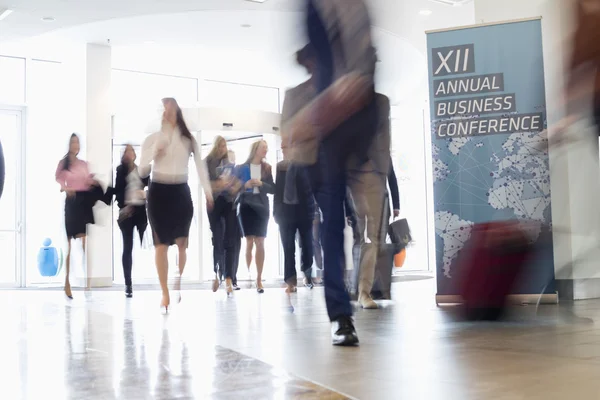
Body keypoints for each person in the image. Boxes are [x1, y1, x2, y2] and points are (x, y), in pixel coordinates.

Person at [283, 0, 377, 346]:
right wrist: (322, 111)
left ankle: (360, 294)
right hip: (321, 161)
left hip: (356, 131)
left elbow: (364, 71)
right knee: (333, 226)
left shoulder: (354, 26)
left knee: (360, 226)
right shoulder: (300, 92)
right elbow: (290, 135)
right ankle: (341, 315)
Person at [139, 98, 213, 312]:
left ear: (177, 111)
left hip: (181, 191)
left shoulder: (187, 139)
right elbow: (142, 170)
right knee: (161, 245)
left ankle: (178, 278)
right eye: (163, 108)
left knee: (182, 243)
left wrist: (208, 192)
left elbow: (200, 167)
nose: (166, 111)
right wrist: (155, 153)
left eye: (170, 107)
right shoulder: (152, 138)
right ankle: (164, 292)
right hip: (158, 192)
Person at [347, 94, 392, 309]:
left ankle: (364, 291)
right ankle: (352, 286)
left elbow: (385, 141)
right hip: (352, 177)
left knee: (372, 238)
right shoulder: (344, 101)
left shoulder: (381, 102)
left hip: (375, 176)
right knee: (360, 237)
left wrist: (380, 172)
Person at [55, 133, 107, 298]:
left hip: (84, 204)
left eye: (77, 142)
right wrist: (65, 187)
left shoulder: (84, 164)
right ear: (69, 144)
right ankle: (67, 283)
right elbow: (58, 180)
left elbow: (87, 181)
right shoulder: (63, 164)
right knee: (69, 244)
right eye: (73, 142)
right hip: (72, 203)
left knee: (85, 244)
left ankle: (88, 283)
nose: (76, 145)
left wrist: (92, 181)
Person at [274, 142, 315, 293]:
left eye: (285, 148)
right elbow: (278, 190)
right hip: (285, 212)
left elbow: (310, 187)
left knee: (307, 245)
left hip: (304, 211)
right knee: (288, 247)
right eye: (282, 148)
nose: (283, 151)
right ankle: (290, 282)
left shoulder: (305, 164)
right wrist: (276, 212)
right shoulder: (280, 167)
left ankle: (307, 273)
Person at [236, 140, 275, 294]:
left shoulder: (267, 168)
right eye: (263, 147)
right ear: (256, 149)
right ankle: (249, 273)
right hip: (246, 206)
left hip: (262, 207)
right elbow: (235, 188)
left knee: (260, 242)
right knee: (249, 241)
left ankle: (259, 278)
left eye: (267, 147)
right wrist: (245, 186)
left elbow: (273, 188)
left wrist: (261, 184)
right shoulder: (241, 168)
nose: (266, 149)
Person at [204, 136, 241, 296]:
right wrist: (218, 185)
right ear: (215, 147)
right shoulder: (208, 162)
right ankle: (217, 273)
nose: (222, 149)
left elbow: (237, 182)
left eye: (224, 146)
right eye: (220, 146)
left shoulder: (229, 162)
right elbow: (205, 184)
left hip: (229, 203)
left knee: (230, 241)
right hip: (214, 203)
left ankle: (228, 278)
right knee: (217, 240)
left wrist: (234, 186)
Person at [112, 144, 149, 298]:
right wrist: (126, 202)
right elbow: (118, 190)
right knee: (127, 248)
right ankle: (128, 284)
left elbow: (150, 187)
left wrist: (142, 193)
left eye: (131, 151)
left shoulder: (141, 170)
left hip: (140, 212)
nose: (130, 153)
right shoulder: (120, 171)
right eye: (127, 151)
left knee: (145, 243)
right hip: (126, 213)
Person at [228, 150, 243, 290]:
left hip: (236, 216)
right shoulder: (221, 175)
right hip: (224, 217)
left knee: (236, 248)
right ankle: (227, 277)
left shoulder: (238, 175)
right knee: (227, 247)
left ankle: (233, 278)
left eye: (233, 159)